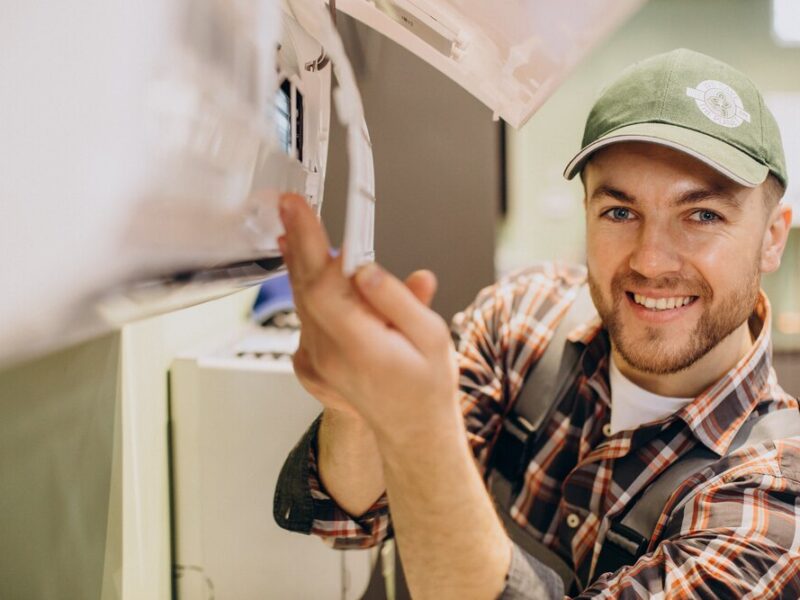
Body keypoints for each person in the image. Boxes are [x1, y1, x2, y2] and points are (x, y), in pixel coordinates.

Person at [273, 49, 800, 598]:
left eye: (702, 215)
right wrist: (357, 405)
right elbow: (350, 516)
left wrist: (415, 425)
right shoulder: (524, 320)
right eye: (619, 212)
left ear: (772, 238)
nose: (650, 260)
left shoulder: (773, 505)